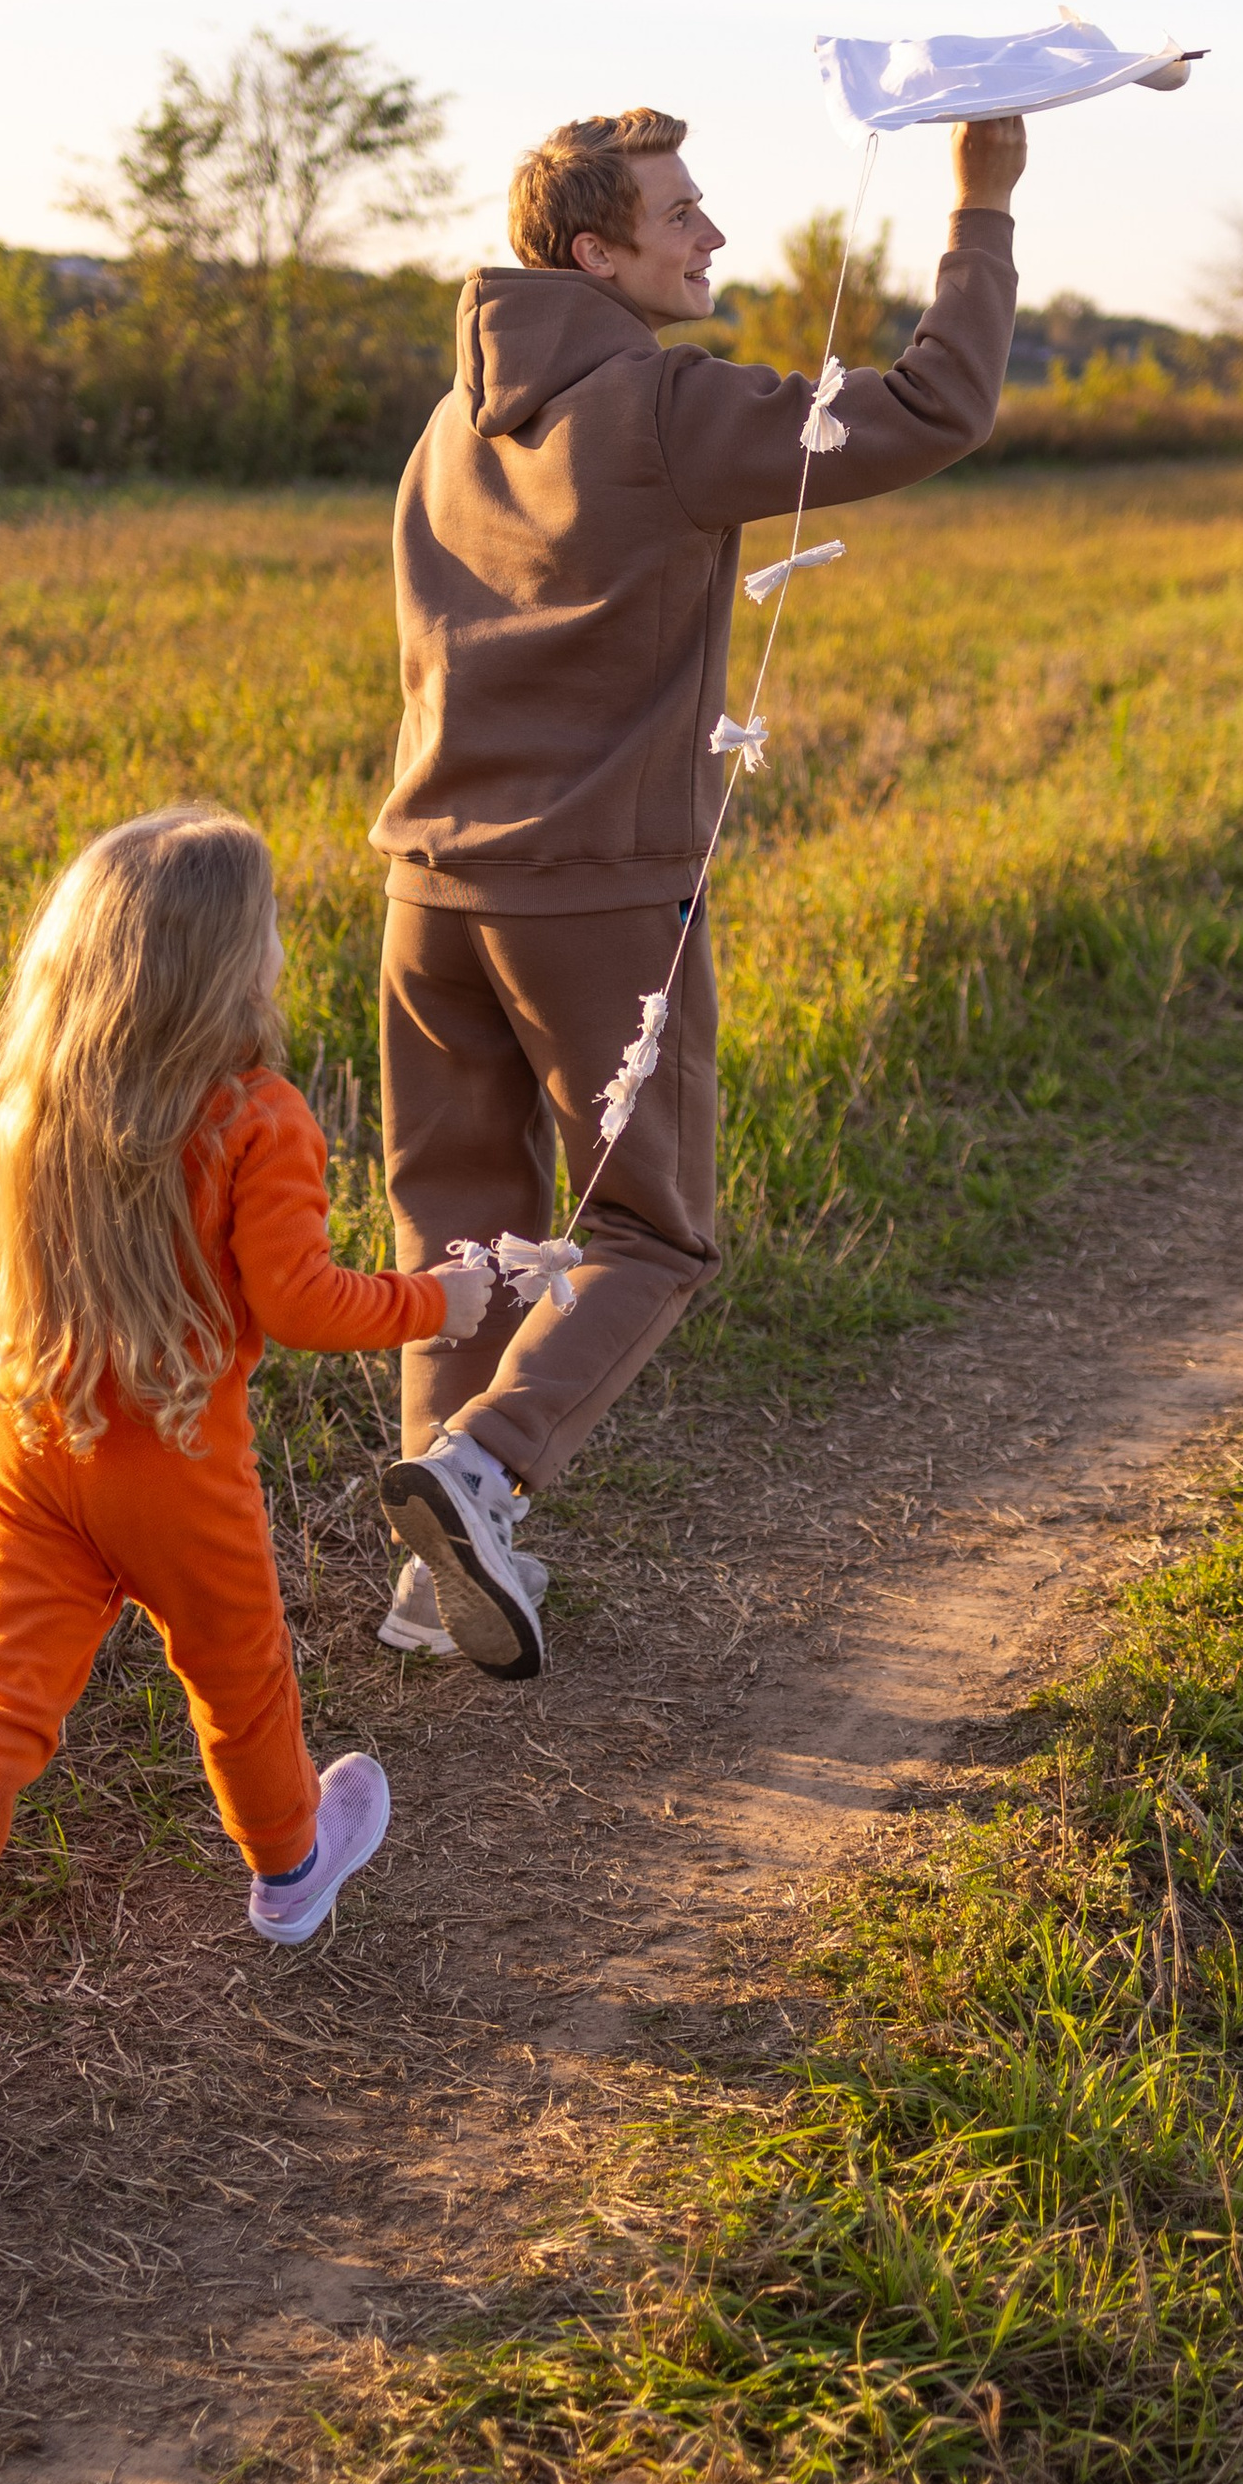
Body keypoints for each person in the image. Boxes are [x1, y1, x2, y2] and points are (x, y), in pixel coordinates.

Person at [371, 105, 1027, 1680]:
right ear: (595, 253)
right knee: (648, 1232)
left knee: (457, 1230)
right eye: (681, 216)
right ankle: (479, 1472)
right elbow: (940, 404)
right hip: (594, 899)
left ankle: (424, 1576)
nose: (712, 236)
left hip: (423, 891)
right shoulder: (667, 404)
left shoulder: (449, 424)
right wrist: (980, 203)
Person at [0, 804, 491, 2130]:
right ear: (232, 972)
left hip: (36, 1446)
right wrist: (437, 1300)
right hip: (179, 1467)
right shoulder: (258, 1117)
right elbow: (297, 1302)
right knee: (241, 1681)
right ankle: (293, 1867)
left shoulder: (43, 1100)